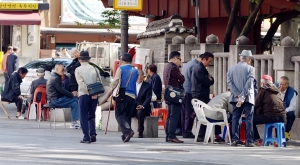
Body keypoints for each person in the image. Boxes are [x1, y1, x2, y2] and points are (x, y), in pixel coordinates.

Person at [227, 50, 256, 147]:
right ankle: (249, 140)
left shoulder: (231, 69)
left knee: (235, 118)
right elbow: (249, 83)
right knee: (249, 118)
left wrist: (237, 94)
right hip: (248, 97)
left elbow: (229, 83)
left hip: (235, 97)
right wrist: (243, 95)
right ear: (249, 60)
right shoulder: (251, 68)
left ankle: (234, 140)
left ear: (240, 58)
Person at [111, 53, 139, 143]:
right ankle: (126, 135)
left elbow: (116, 81)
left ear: (122, 61)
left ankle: (128, 131)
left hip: (123, 94)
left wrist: (111, 86)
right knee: (128, 115)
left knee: (119, 114)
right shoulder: (135, 70)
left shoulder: (121, 68)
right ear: (131, 61)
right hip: (133, 95)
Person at [75, 51, 100, 143]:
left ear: (79, 59)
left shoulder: (78, 70)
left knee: (83, 116)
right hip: (94, 95)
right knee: (92, 115)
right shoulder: (94, 68)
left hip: (83, 95)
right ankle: (93, 133)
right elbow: (99, 82)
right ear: (89, 59)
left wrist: (89, 92)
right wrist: (94, 93)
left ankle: (86, 137)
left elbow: (81, 84)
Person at [253, 75, 286, 146]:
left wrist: (253, 112)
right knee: (275, 114)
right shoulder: (277, 90)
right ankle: (278, 139)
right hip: (282, 116)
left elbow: (257, 103)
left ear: (263, 83)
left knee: (250, 119)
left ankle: (257, 139)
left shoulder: (263, 89)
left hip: (270, 116)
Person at [191, 52, 216, 142]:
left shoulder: (202, 68)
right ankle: (201, 135)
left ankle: (202, 134)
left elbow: (211, 80)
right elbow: (207, 82)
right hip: (199, 94)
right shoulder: (199, 69)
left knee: (203, 115)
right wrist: (209, 79)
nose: (209, 63)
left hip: (202, 94)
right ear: (204, 59)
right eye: (209, 61)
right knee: (201, 115)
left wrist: (210, 79)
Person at [46, 63, 80, 129]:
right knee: (76, 99)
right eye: (62, 70)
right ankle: (80, 120)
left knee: (74, 103)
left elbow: (61, 91)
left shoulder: (54, 77)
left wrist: (71, 94)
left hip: (54, 99)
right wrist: (72, 94)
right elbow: (62, 91)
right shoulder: (56, 78)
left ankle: (74, 122)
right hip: (55, 100)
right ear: (56, 69)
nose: (64, 71)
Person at [163, 51, 185, 143]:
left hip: (168, 94)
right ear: (175, 58)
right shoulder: (174, 68)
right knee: (174, 116)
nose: (180, 61)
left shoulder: (167, 67)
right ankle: (172, 135)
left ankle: (168, 135)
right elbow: (182, 78)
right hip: (175, 95)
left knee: (169, 115)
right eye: (180, 59)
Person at [181, 54, 201, 138]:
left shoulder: (188, 64)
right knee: (189, 112)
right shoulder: (195, 66)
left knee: (184, 112)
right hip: (190, 91)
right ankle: (187, 131)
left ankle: (184, 130)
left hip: (184, 90)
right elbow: (194, 81)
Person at [275, 76, 297, 141]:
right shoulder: (275, 88)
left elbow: (293, 106)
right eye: (280, 84)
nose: (281, 86)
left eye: (283, 85)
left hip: (286, 109)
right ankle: (278, 135)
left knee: (291, 114)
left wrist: (285, 111)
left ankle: (286, 131)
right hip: (276, 110)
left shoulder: (292, 92)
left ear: (287, 85)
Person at [134, 70, 152, 138]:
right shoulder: (132, 84)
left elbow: (148, 98)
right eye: (137, 75)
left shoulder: (147, 85)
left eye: (140, 75)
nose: (139, 77)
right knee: (125, 111)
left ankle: (140, 132)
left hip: (143, 107)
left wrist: (143, 106)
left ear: (143, 77)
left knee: (140, 113)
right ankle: (126, 131)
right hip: (133, 106)